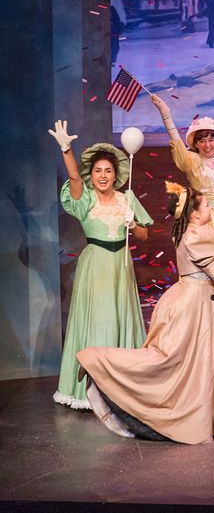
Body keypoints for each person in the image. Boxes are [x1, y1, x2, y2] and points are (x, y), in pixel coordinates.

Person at [77, 182, 214, 443]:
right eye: (205, 205)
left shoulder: (184, 232)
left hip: (187, 296)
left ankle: (201, 414)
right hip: (195, 304)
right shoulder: (199, 235)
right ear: (195, 213)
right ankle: (98, 360)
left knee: (188, 362)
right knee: (179, 361)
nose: (210, 208)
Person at [48, 122, 152, 409]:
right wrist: (66, 148)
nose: (103, 175)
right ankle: (91, 392)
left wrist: (133, 221)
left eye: (108, 171)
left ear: (116, 175)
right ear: (91, 175)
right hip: (96, 266)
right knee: (98, 322)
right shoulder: (86, 198)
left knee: (121, 320)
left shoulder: (126, 197)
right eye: (97, 171)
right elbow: (73, 176)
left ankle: (124, 392)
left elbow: (144, 235)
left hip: (121, 265)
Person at [150, 94, 214, 346]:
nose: (207, 144)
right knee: (203, 271)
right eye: (202, 140)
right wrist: (166, 115)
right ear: (196, 143)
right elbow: (176, 145)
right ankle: (204, 327)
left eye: (211, 139)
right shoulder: (192, 162)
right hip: (200, 221)